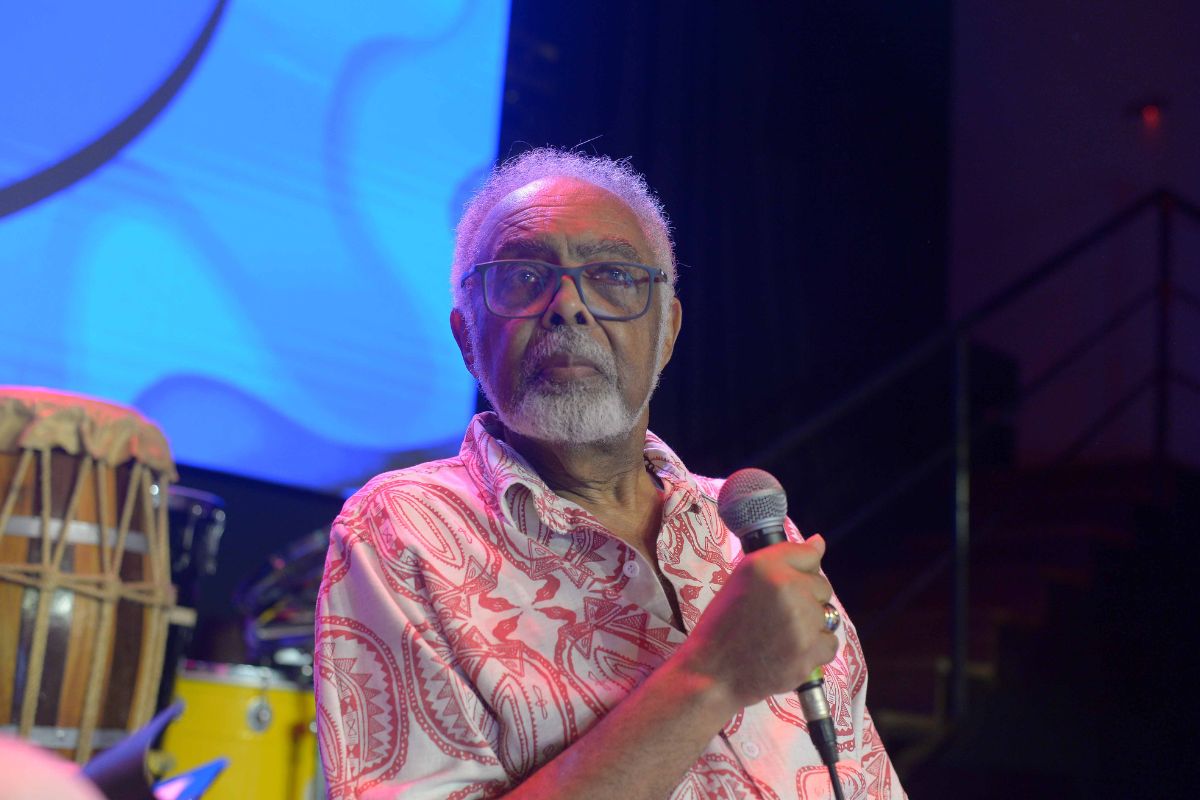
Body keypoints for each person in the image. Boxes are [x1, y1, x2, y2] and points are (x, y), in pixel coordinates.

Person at [315, 148, 904, 799]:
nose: (567, 305)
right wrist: (711, 677)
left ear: (668, 332)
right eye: (522, 276)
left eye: (613, 275)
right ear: (466, 338)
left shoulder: (754, 538)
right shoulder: (402, 532)